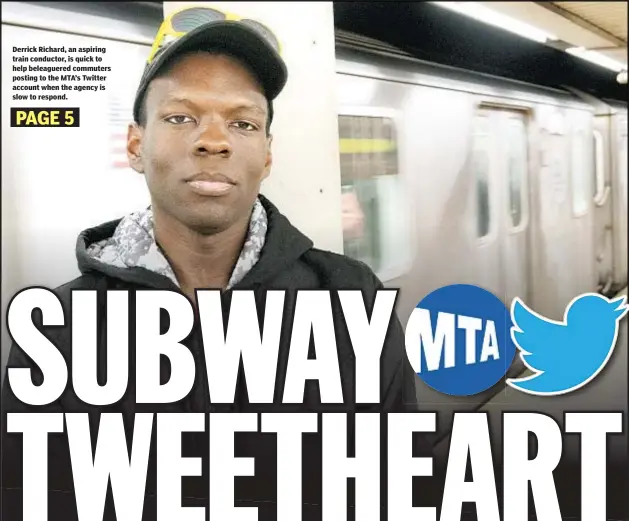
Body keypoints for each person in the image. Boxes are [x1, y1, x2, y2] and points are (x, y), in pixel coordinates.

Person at [2, 7, 432, 520]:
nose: (214, 140)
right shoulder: (62, 328)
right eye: (181, 117)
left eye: (243, 122)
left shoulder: (348, 300)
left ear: (266, 156)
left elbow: (398, 485)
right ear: (136, 144)